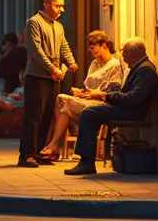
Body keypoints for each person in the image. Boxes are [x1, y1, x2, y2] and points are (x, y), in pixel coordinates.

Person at [64, 38, 158, 176]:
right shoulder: (140, 68)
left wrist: (106, 96)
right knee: (91, 111)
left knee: (89, 113)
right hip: (130, 109)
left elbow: (133, 98)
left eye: (125, 53)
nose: (123, 57)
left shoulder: (145, 71)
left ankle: (86, 162)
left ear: (135, 53)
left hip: (134, 112)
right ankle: (86, 160)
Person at [38, 31, 126, 159]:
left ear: (105, 46)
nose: (91, 50)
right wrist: (80, 92)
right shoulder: (95, 64)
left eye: (93, 46)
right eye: (89, 47)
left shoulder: (115, 65)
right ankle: (53, 145)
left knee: (62, 100)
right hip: (87, 100)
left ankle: (52, 145)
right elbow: (88, 86)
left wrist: (92, 94)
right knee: (62, 103)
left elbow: (113, 90)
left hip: (101, 102)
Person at [19, 0, 78, 168]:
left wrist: (71, 61)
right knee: (33, 116)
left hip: (55, 76)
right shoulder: (34, 22)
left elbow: (63, 46)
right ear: (46, 5)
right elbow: (35, 50)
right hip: (38, 76)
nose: (61, 9)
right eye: (57, 6)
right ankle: (26, 154)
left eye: (62, 6)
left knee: (47, 116)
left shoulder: (58, 26)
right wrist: (52, 68)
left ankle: (39, 152)